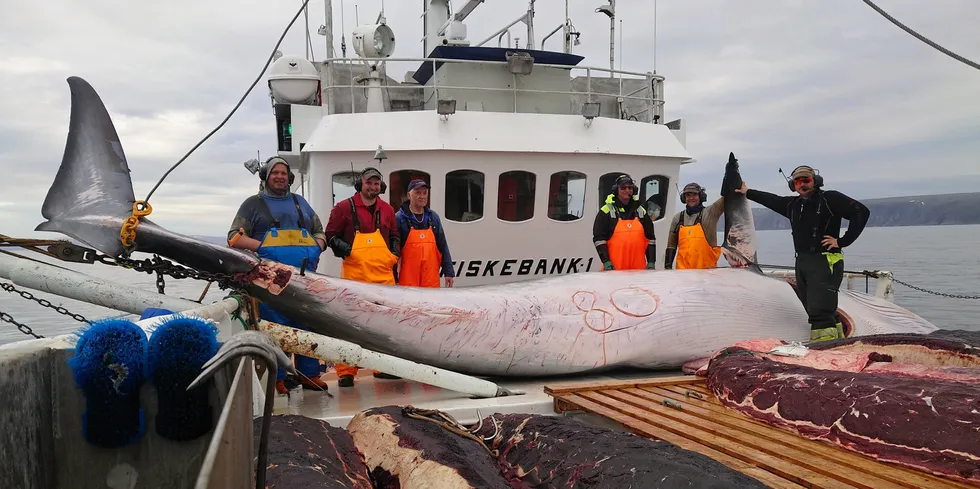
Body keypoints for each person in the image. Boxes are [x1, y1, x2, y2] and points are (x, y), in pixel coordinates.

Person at [227, 156, 328, 394]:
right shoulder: (252, 204)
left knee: (306, 324)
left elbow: (320, 232)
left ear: (289, 177)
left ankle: (309, 374)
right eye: (275, 173)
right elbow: (233, 237)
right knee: (275, 327)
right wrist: (263, 247)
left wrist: (317, 247)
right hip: (269, 281)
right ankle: (277, 377)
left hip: (304, 278)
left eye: (284, 173)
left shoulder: (300, 203)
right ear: (266, 176)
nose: (280, 176)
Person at [735, 165, 870, 342]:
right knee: (816, 308)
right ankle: (837, 344)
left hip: (825, 261)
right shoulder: (793, 205)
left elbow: (861, 212)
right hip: (803, 262)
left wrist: (842, 241)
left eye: (806, 180)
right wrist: (747, 192)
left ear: (815, 181)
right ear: (793, 185)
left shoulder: (830, 199)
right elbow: (771, 199)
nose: (802, 184)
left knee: (820, 311)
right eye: (798, 181)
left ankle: (824, 352)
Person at [323, 167, 400, 387]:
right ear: (361, 184)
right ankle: (346, 371)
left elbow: (394, 235)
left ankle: (382, 367)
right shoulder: (343, 208)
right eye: (369, 182)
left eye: (377, 183)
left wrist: (393, 255)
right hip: (354, 275)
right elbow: (331, 236)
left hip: (384, 276)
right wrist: (349, 251)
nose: (373, 187)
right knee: (349, 322)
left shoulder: (387, 209)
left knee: (384, 324)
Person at [395, 179, 456, 288]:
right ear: (409, 195)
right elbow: (394, 252)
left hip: (430, 278)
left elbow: (442, 246)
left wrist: (449, 272)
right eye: (418, 192)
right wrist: (394, 277)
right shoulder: (399, 218)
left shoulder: (433, 217)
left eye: (425, 193)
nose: (422, 196)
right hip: (408, 280)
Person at [592, 174, 657, 271]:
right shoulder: (606, 211)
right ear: (616, 190)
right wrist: (606, 261)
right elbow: (599, 238)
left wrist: (651, 261)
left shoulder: (641, 211)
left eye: (630, 187)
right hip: (614, 270)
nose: (627, 190)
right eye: (623, 188)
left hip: (639, 271)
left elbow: (650, 238)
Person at [664, 183, 725, 269]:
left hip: (707, 274)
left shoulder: (710, 213)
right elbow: (671, 244)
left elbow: (726, 199)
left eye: (694, 195)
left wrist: (731, 173)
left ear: (701, 197)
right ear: (684, 198)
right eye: (688, 195)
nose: (691, 198)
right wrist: (668, 266)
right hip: (682, 274)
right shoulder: (677, 218)